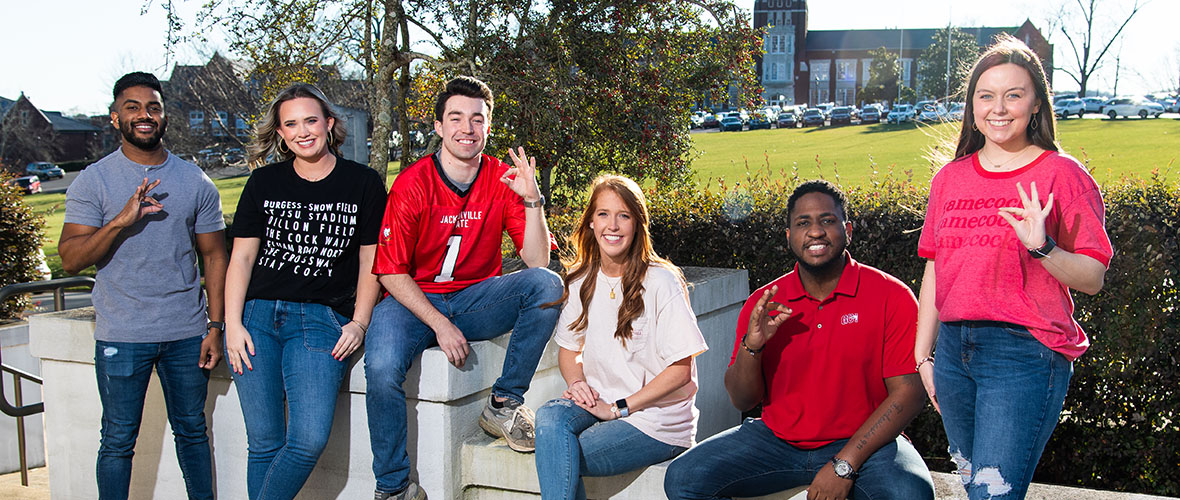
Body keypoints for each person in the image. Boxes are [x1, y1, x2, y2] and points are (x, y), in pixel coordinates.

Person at [913, 35, 1113, 499]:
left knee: (993, 494)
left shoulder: (1061, 174)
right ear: (972, 106)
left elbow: (1093, 278)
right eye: (986, 95)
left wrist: (1043, 249)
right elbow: (936, 270)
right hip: (953, 354)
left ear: (1036, 105)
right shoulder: (949, 179)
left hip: (1023, 355)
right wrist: (924, 356)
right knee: (974, 488)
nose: (998, 108)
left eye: (1014, 94)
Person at [665, 180, 934, 500]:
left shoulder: (891, 295)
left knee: (909, 494)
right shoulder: (764, 303)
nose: (815, 231)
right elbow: (742, 400)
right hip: (776, 442)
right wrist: (754, 346)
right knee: (684, 478)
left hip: (865, 444)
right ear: (789, 237)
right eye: (803, 223)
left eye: (827, 220)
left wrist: (844, 465)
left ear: (848, 230)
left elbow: (909, 394)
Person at [365, 75, 563, 500]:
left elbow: (536, 262)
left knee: (548, 286)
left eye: (477, 119)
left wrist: (533, 200)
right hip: (411, 301)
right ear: (438, 126)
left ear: (488, 127)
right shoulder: (412, 183)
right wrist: (438, 323)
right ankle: (394, 487)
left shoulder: (501, 178)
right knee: (380, 369)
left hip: (476, 298)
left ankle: (504, 404)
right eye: (456, 118)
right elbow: (390, 272)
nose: (467, 129)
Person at [59, 71, 227, 500]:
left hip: (187, 333)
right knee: (117, 441)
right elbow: (72, 258)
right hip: (122, 333)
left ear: (165, 116)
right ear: (115, 118)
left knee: (192, 433)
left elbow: (214, 257)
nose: (144, 115)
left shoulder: (194, 181)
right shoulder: (93, 181)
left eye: (153, 107)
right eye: (132, 108)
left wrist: (215, 327)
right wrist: (120, 220)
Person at [223, 83, 386, 500]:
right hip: (256, 319)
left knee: (308, 439)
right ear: (279, 133)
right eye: (290, 124)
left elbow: (372, 261)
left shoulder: (363, 183)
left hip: (320, 321)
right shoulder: (263, 183)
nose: (302, 131)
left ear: (329, 124)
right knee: (263, 442)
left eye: (310, 120)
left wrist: (360, 322)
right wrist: (232, 324)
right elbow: (240, 259)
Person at [534, 175, 708, 499]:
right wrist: (577, 384)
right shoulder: (581, 279)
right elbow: (570, 350)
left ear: (637, 225)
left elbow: (681, 371)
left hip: (656, 422)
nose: (612, 226)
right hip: (599, 402)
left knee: (566, 451)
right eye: (603, 214)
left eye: (623, 215)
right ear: (590, 222)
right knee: (548, 419)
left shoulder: (661, 282)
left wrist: (619, 408)